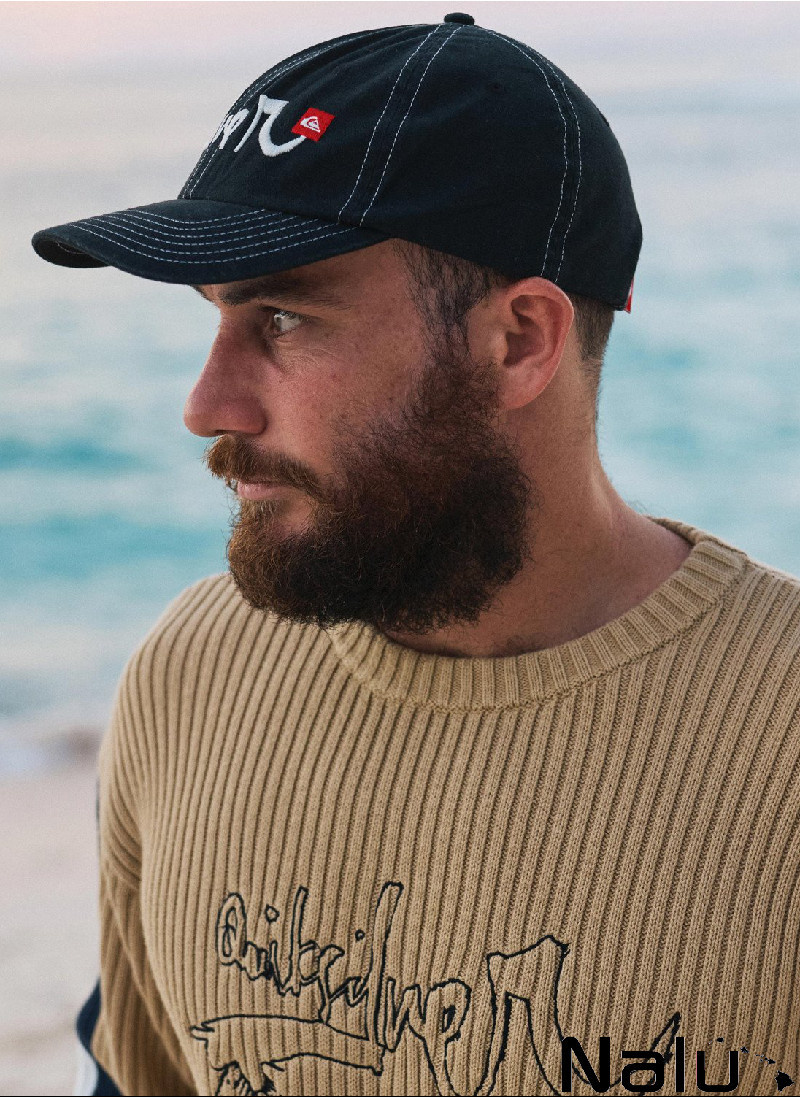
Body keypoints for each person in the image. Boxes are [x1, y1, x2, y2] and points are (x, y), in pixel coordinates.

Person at [33, 13, 800, 1099]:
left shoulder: (779, 736)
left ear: (519, 341)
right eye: (217, 319)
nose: (206, 405)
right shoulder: (191, 671)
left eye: (284, 318)